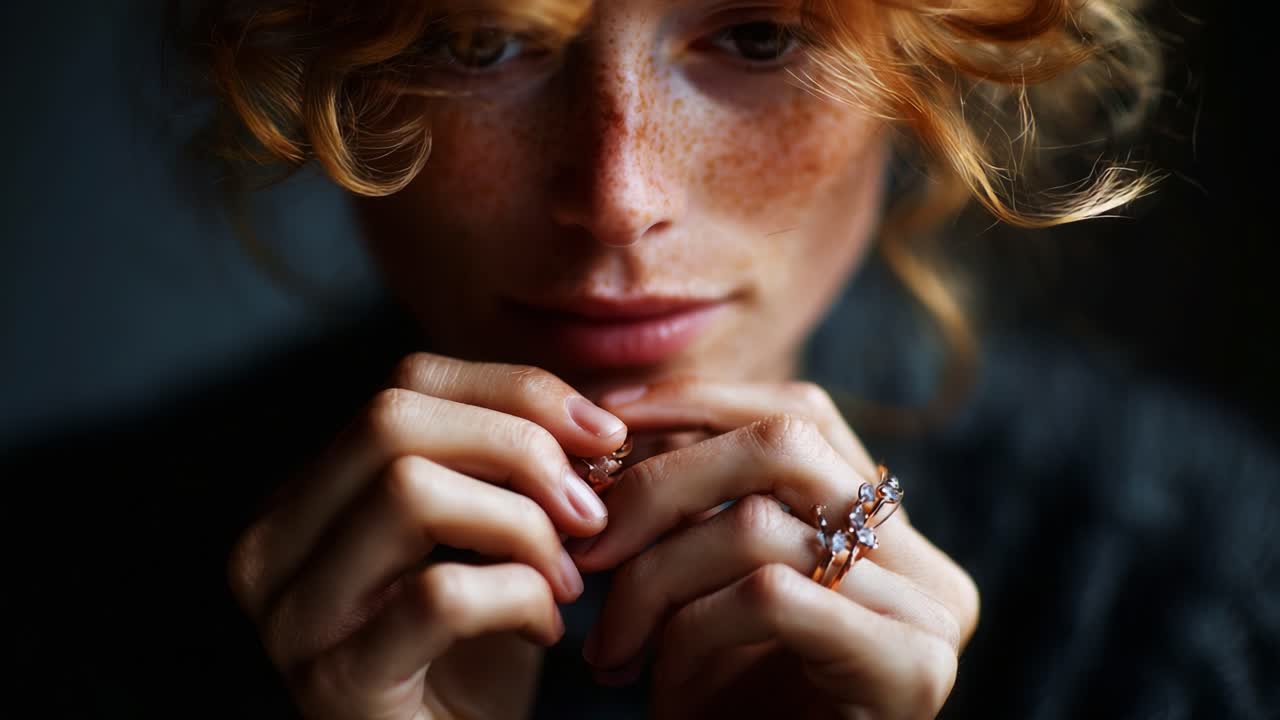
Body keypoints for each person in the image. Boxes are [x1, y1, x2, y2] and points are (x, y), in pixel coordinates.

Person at [14, 0, 1277, 718]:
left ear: (930, 55)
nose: (618, 197)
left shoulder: (1204, 594)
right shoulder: (60, 584)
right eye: (476, 37)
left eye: (762, 33)